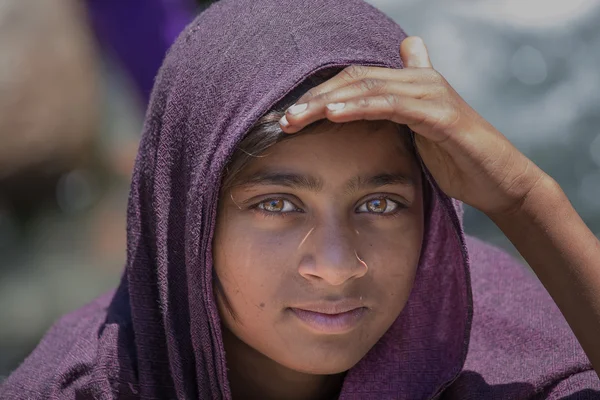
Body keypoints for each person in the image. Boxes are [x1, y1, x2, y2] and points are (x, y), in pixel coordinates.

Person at [2, 0, 600, 398]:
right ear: (187, 217)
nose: (337, 267)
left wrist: (524, 197)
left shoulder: (510, 355)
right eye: (278, 205)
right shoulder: (84, 387)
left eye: (380, 205)